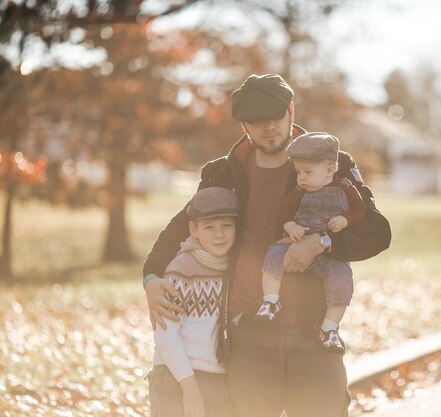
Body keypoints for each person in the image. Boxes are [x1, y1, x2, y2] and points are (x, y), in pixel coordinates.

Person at [143, 73, 392, 417]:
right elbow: (181, 225)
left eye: (275, 117)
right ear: (244, 125)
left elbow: (377, 232)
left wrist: (322, 243)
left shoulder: (330, 164)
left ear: (291, 110)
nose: (269, 128)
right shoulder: (223, 173)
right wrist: (152, 276)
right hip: (249, 338)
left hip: (312, 335)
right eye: (256, 122)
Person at [256, 132, 366, 355]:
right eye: (298, 172)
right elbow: (284, 211)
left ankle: (330, 327)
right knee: (274, 253)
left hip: (330, 252)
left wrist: (346, 220)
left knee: (342, 275)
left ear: (330, 169)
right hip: (298, 240)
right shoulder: (299, 192)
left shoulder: (346, 187)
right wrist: (290, 227)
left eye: (308, 172)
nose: (302, 178)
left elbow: (361, 211)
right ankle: (270, 300)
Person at [148, 187, 239, 417]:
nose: (219, 234)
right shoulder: (181, 270)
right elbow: (166, 336)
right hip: (177, 376)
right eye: (209, 227)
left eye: (226, 226)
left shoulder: (235, 270)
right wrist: (189, 389)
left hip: (220, 380)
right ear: (193, 229)